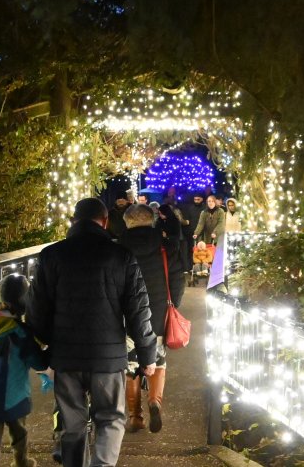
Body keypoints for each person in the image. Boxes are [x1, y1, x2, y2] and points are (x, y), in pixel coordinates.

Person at [28, 197, 157, 467]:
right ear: (105, 221)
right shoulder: (121, 256)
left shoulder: (51, 255)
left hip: (65, 355)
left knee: (72, 424)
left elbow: (37, 311)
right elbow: (138, 310)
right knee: (110, 419)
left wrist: (39, 356)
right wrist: (147, 355)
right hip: (107, 357)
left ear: (73, 221)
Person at [118, 204, 185, 433]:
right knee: (158, 362)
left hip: (126, 315)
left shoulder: (118, 250)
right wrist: (173, 304)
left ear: (127, 223)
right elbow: (177, 280)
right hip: (158, 312)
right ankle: (155, 402)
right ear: (152, 220)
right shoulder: (166, 247)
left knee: (130, 367)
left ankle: (135, 417)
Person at [0, 274, 48, 467]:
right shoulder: (19, 332)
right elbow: (39, 363)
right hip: (14, 397)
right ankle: (21, 462)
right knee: (19, 435)